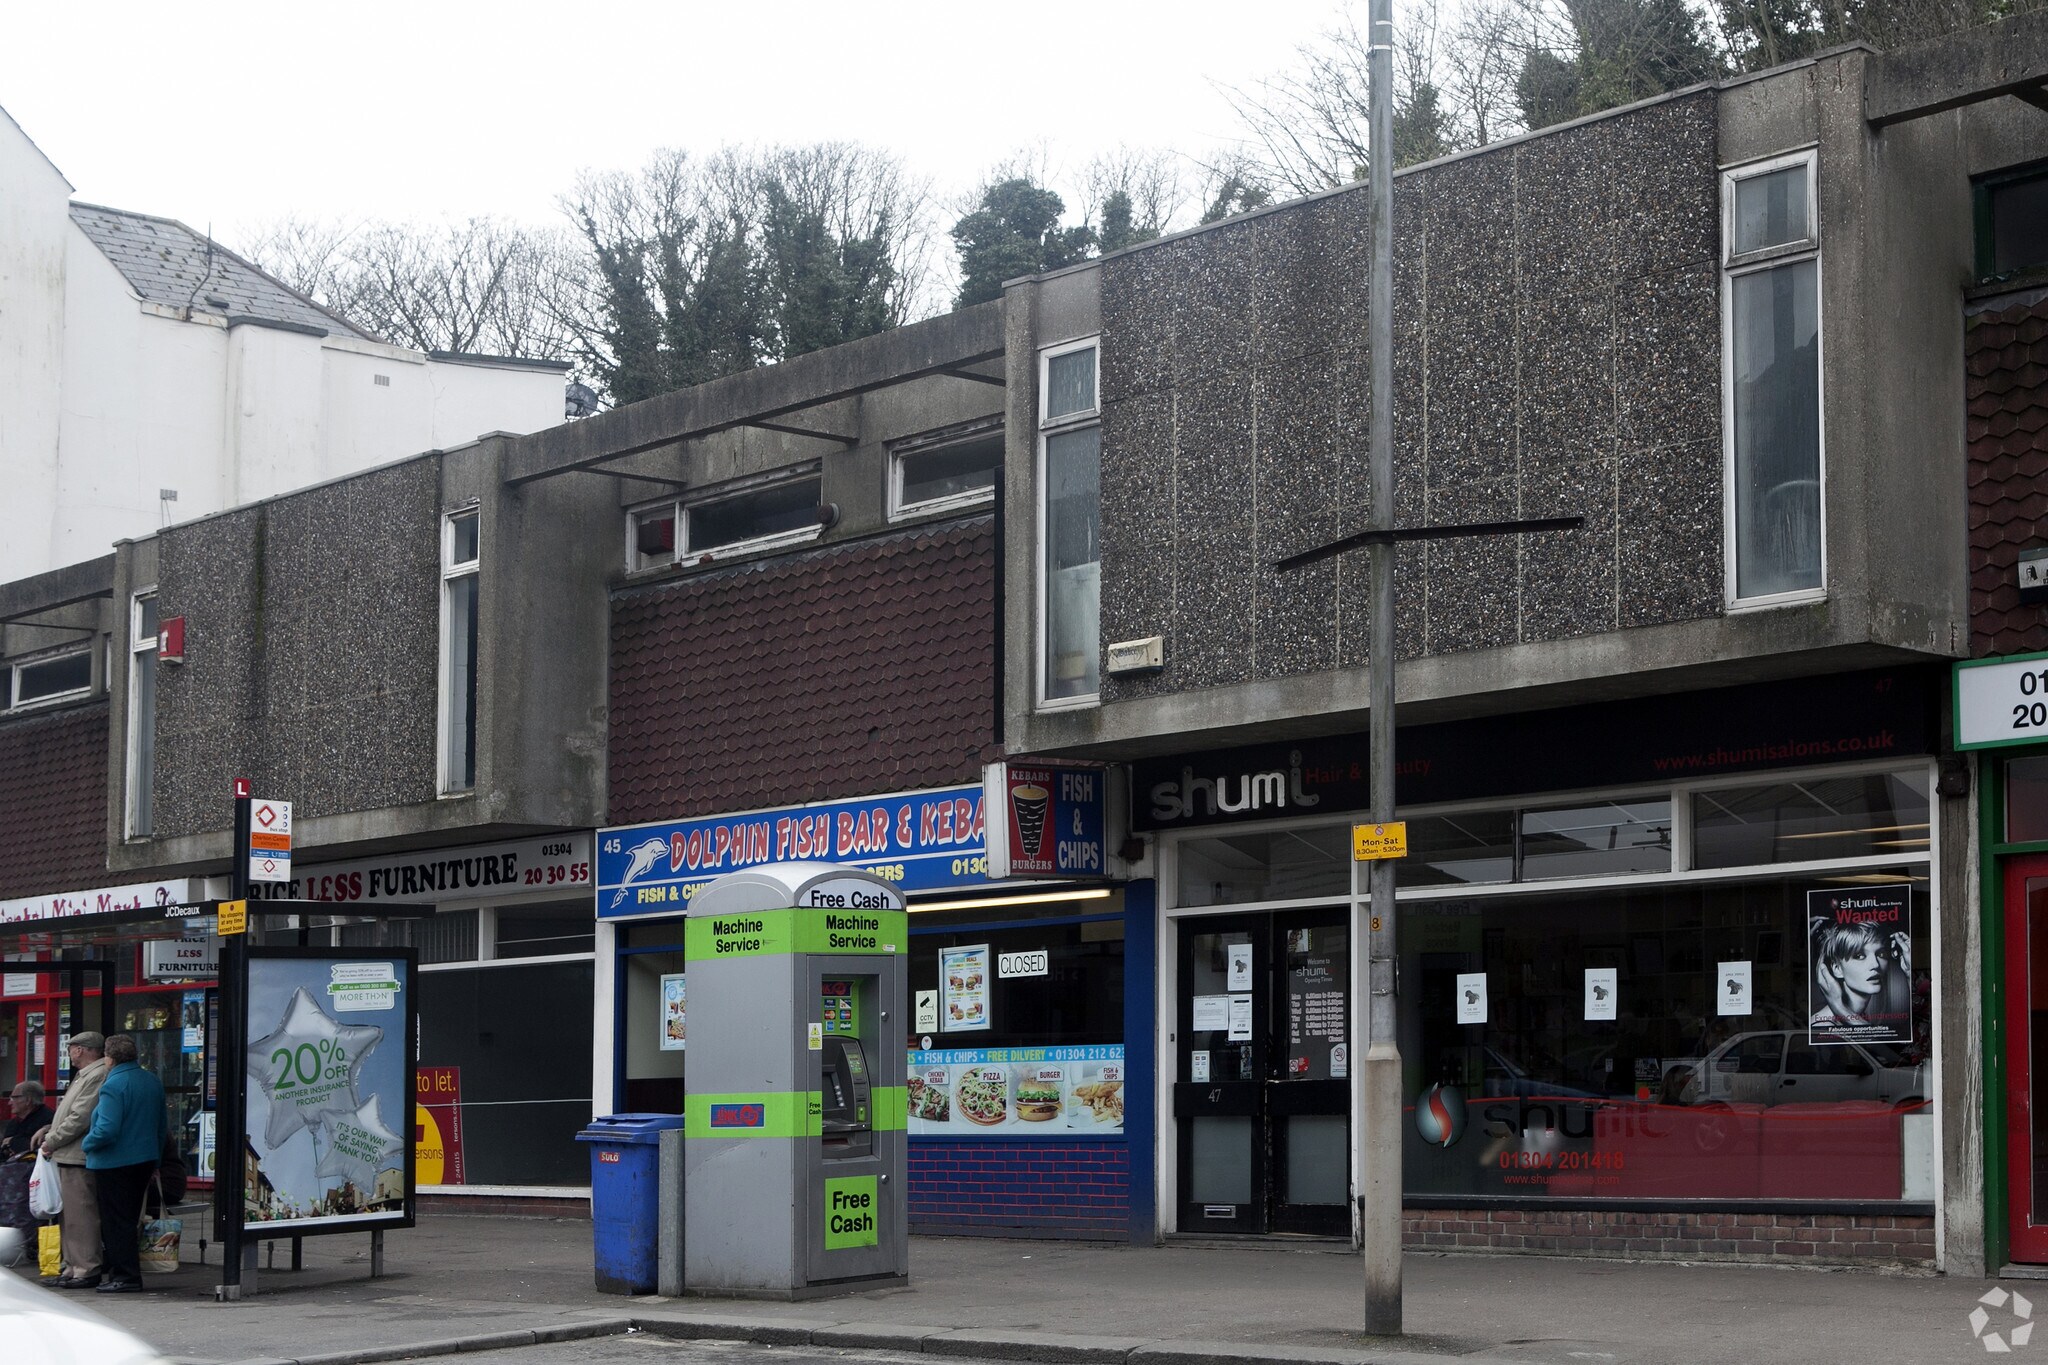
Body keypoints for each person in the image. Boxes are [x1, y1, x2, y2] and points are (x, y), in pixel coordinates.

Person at [83, 1034, 166, 1294]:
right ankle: (125, 1273)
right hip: (144, 1159)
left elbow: (106, 1129)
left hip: (114, 1162)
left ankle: (125, 1276)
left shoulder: (113, 1085)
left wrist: (86, 1144)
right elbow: (161, 1126)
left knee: (115, 1221)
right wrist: (157, 1159)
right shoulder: (151, 1081)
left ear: (109, 1057)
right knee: (129, 1218)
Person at [36, 1032, 110, 1289]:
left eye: (71, 1049)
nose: (69, 1054)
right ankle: (72, 1264)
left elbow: (80, 1117)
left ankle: (86, 1267)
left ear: (80, 1050)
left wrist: (52, 1140)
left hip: (78, 1154)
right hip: (68, 1153)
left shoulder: (97, 1074)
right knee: (69, 1216)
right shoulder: (87, 1074)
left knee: (82, 1214)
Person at [1810, 918, 1912, 1041]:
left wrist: (1910, 974)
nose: (1875, 964)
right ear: (1837, 968)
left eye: (1880, 954)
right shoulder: (1824, 1027)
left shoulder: (1864, 1017)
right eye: (1859, 956)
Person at [4, 1080, 54, 1161]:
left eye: (14, 1098)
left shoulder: (48, 1118)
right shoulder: (13, 1123)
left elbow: (36, 1147)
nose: (10, 1103)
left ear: (28, 1100)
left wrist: (13, 1141)